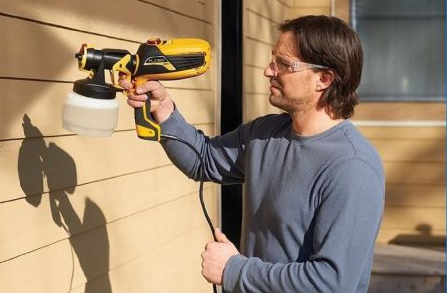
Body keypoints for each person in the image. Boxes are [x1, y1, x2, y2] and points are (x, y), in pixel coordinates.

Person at [120, 15, 385, 293]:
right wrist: (163, 109)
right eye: (273, 60)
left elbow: (331, 283)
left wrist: (234, 269)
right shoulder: (265, 133)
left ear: (324, 78)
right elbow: (205, 160)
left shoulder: (353, 168)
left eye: (283, 64)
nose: (269, 71)